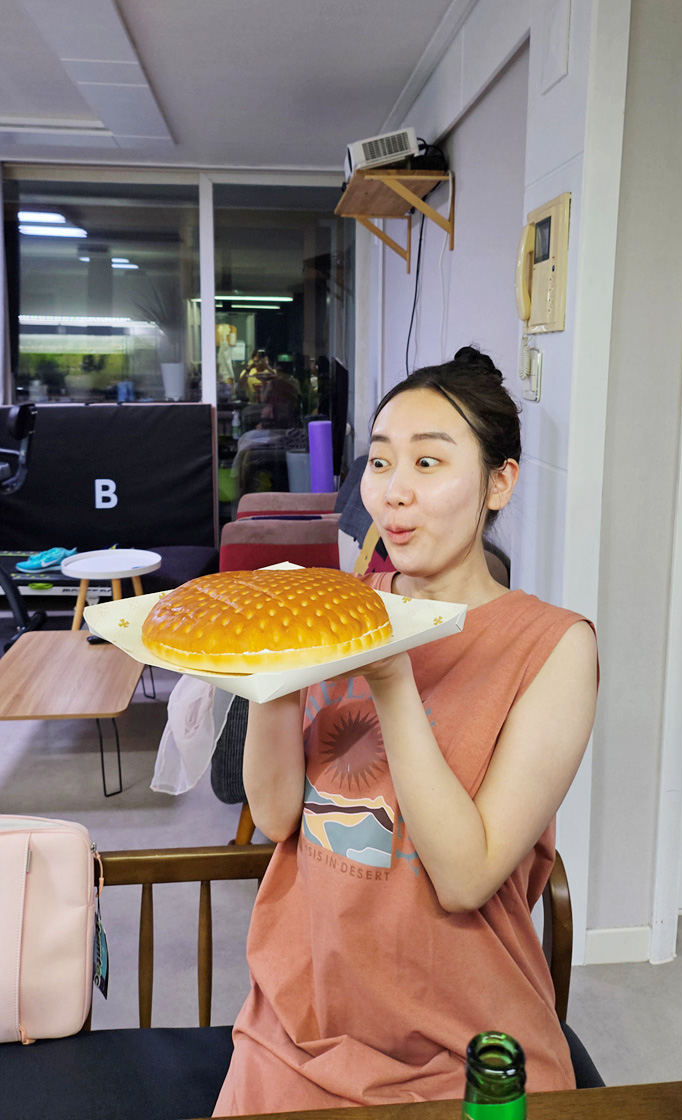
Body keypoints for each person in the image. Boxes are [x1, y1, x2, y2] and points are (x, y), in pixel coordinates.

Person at [213, 346, 598, 1115]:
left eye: (427, 463)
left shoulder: (553, 646)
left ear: (498, 483)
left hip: (465, 1048)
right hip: (296, 1026)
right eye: (381, 462)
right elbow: (278, 815)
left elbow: (464, 878)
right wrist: (269, 664)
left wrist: (391, 676)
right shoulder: (344, 604)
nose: (393, 491)